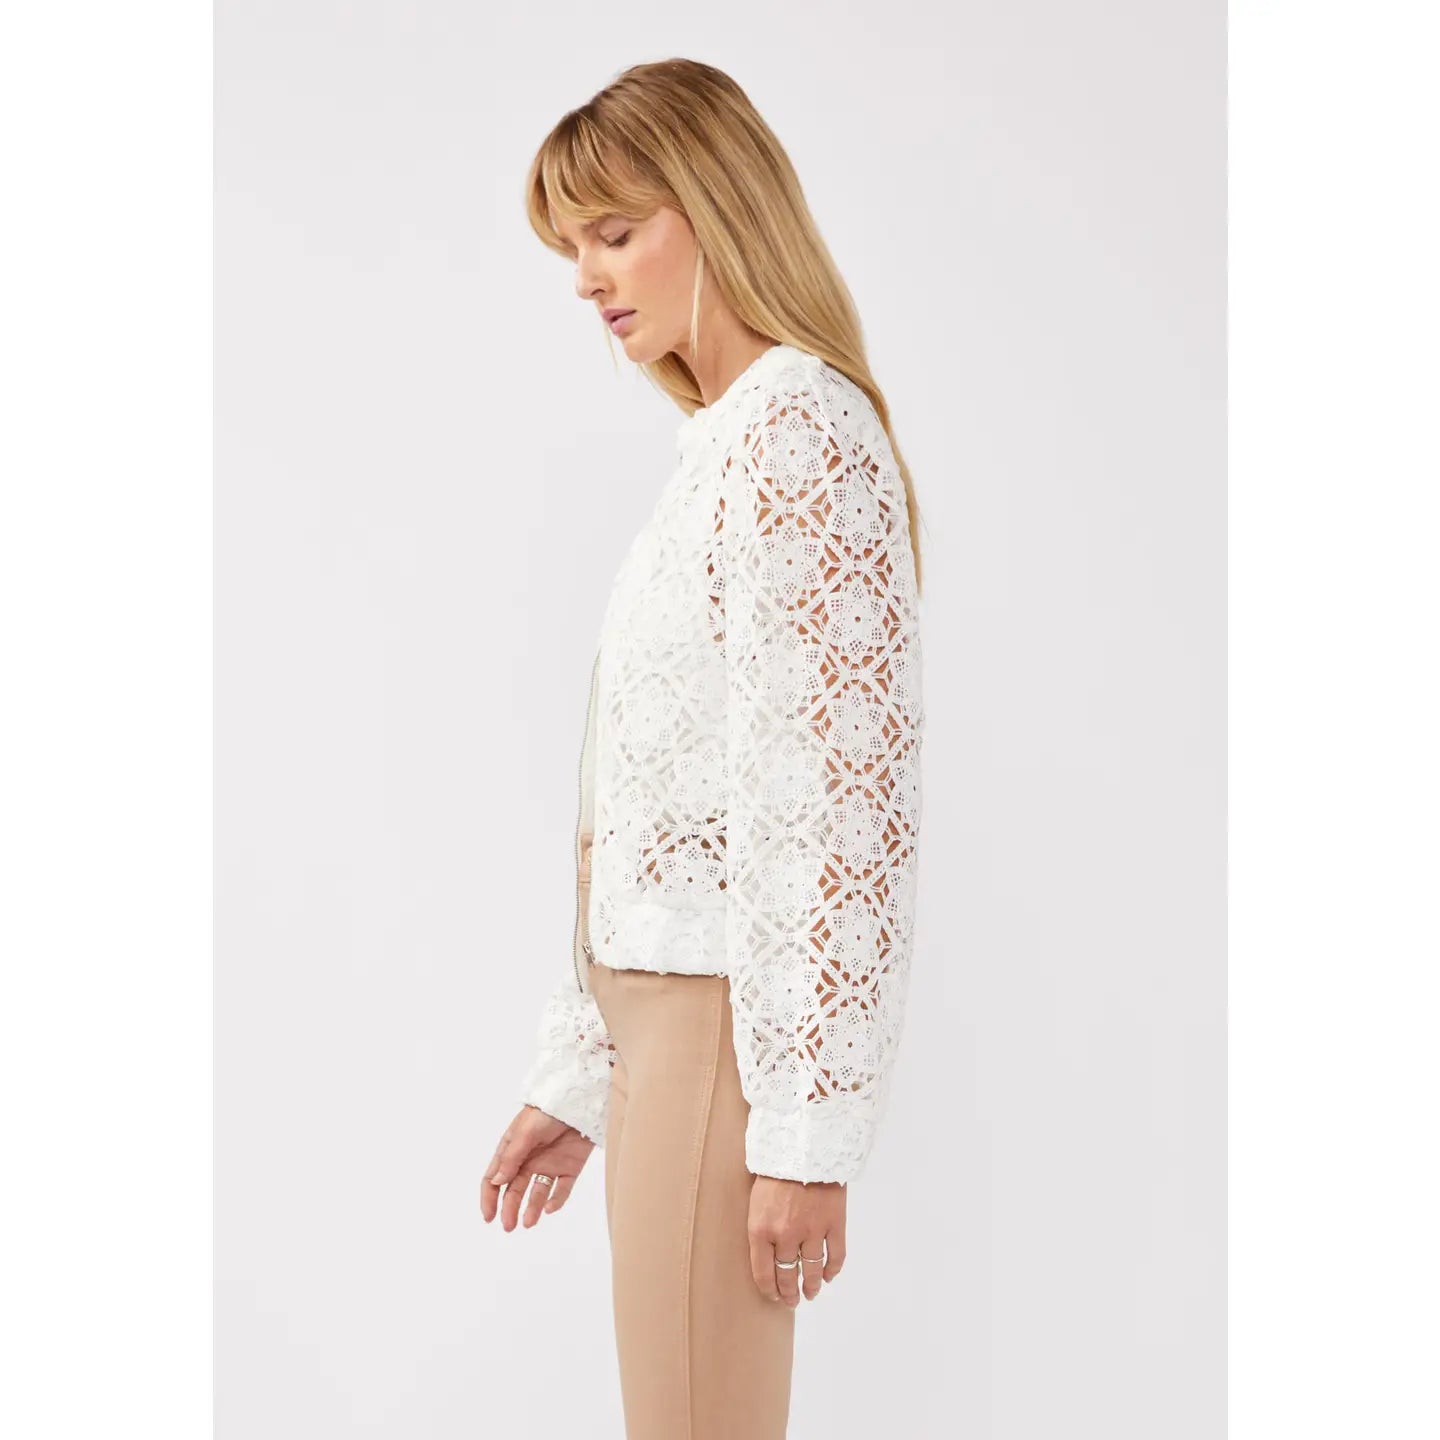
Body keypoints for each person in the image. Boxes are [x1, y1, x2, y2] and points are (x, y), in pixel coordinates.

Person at [479, 57, 926, 1440]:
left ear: (719, 208)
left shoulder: (797, 433)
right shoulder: (726, 446)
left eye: (615, 232)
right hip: (661, 1040)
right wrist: (579, 1065)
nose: (586, 278)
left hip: (724, 1041)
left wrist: (805, 1136)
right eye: (573, 246)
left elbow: (832, 811)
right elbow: (648, 803)